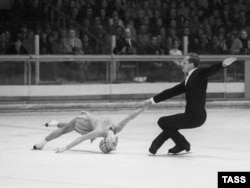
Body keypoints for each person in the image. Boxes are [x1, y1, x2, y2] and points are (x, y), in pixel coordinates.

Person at [143, 53, 237, 155]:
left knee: (163, 122)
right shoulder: (189, 79)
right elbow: (171, 91)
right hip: (191, 115)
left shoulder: (199, 74)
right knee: (169, 125)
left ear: (191, 65)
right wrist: (152, 100)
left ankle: (182, 144)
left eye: (184, 63)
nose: (181, 64)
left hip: (196, 116)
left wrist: (222, 64)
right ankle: (168, 146)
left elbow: (210, 70)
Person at [33, 106, 148, 153]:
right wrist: (143, 108)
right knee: (66, 127)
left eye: (113, 143)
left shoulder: (99, 131)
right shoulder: (117, 128)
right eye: (115, 143)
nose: (116, 141)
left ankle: (41, 144)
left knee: (65, 129)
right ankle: (55, 123)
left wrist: (65, 147)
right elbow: (130, 117)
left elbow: (82, 138)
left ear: (106, 140)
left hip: (84, 122)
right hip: (87, 121)